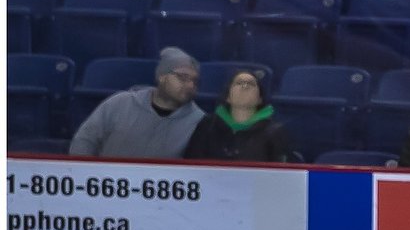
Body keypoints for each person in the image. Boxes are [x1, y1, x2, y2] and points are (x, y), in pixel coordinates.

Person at [69, 45, 205, 159]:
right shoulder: (120, 103)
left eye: (195, 81)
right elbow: (85, 140)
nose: (190, 85)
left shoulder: (199, 122)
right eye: (183, 77)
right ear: (162, 76)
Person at [186, 67, 293, 164]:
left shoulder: (275, 132)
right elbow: (192, 167)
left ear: (260, 99)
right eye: (239, 83)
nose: (244, 87)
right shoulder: (207, 126)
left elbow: (281, 174)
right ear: (228, 97)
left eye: (251, 84)